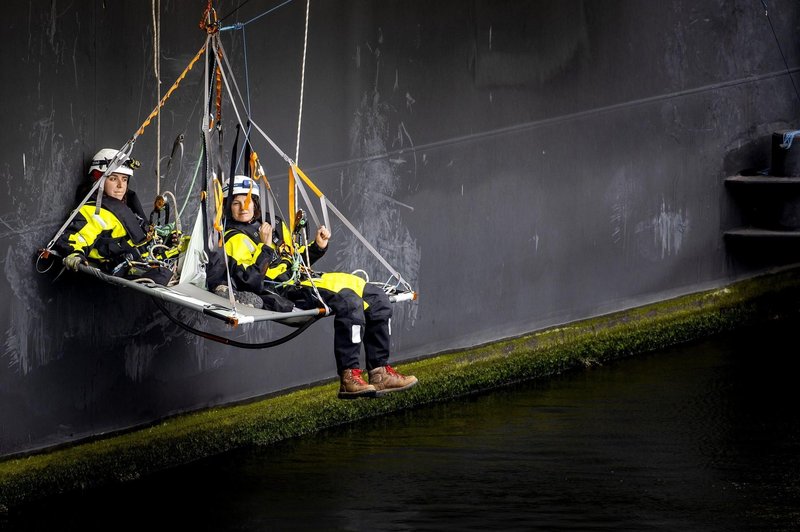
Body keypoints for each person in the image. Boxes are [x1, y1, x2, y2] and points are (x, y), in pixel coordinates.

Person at [217, 174, 418, 399]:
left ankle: (380, 373)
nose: (243, 208)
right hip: (285, 288)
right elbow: (250, 281)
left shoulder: (272, 225)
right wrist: (265, 247)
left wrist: (317, 247)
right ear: (228, 207)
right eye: (236, 203)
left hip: (304, 277)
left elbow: (295, 260)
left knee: (377, 298)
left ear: (255, 202)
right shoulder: (233, 239)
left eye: (247, 201)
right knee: (349, 302)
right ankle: (349, 377)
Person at [54, 148, 178, 285]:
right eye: (113, 179)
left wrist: (169, 240)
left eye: (124, 179)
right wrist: (74, 253)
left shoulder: (125, 205)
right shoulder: (94, 212)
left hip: (151, 256)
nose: (120, 186)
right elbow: (77, 237)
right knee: (163, 276)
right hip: (132, 267)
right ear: (99, 180)